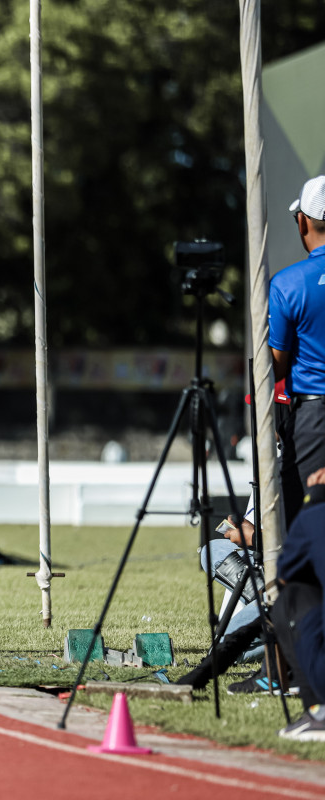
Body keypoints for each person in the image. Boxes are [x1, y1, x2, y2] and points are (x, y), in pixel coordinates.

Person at [270, 175, 325, 524]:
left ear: (303, 222)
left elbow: (275, 367)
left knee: (302, 522)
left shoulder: (287, 283)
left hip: (314, 419)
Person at [271, 468, 325, 740]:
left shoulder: (314, 515)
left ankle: (318, 709)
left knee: (287, 599)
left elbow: (284, 575)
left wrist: (313, 498)